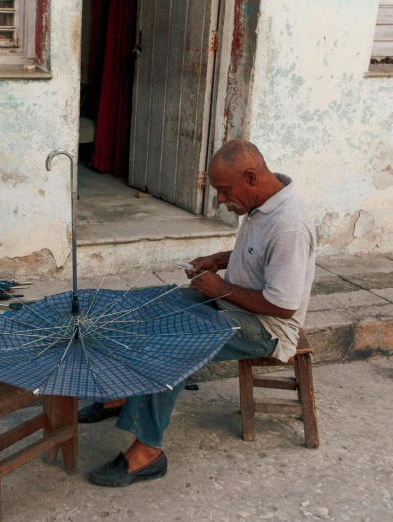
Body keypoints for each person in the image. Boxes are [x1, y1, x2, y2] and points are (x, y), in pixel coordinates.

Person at [81, 140, 317, 487]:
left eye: (224, 191)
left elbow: (282, 305)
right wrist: (217, 261)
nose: (220, 200)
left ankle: (149, 452)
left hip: (267, 327)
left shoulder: (289, 225)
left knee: (171, 343)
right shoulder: (262, 201)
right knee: (148, 309)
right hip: (233, 303)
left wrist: (218, 288)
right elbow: (253, 252)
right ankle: (125, 396)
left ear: (251, 177)